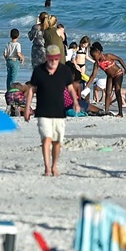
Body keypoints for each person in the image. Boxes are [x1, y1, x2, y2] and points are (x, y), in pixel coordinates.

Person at [22, 44, 78, 176]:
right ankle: (47, 168)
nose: (53, 62)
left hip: (59, 112)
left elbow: (70, 88)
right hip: (43, 112)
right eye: (51, 59)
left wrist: (75, 102)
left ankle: (54, 166)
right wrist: (27, 108)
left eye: (56, 59)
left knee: (57, 142)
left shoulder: (65, 71)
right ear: (46, 58)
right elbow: (31, 90)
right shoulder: (38, 71)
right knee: (46, 139)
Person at [88, 42, 126, 117]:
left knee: (117, 91)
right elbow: (93, 75)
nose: (94, 58)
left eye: (95, 56)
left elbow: (119, 59)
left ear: (99, 52)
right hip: (110, 76)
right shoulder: (97, 63)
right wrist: (87, 86)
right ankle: (106, 111)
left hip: (118, 74)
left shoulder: (108, 56)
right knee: (108, 93)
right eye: (93, 57)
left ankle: (120, 113)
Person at [3, 28, 24, 92]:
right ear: (18, 36)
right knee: (13, 76)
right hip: (15, 61)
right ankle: (12, 89)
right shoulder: (17, 44)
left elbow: (4, 53)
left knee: (9, 76)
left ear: (10, 36)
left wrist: (6, 58)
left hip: (9, 60)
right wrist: (23, 58)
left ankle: (8, 89)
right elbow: (18, 53)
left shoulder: (8, 44)